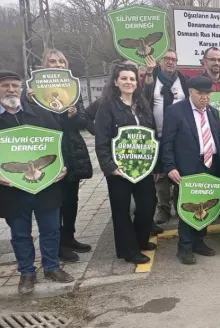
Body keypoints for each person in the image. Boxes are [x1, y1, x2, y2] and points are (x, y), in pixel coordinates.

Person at [0, 69, 74, 294]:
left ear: (21, 89)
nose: (11, 89)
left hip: (45, 185)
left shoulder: (40, 115)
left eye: (15, 85)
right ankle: (26, 273)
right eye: (5, 85)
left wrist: (63, 167)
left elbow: (60, 144)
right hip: (12, 188)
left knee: (51, 229)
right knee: (20, 233)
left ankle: (51, 267)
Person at [161, 76, 220, 265]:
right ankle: (184, 247)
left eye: (208, 94)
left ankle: (199, 241)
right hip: (187, 167)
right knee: (188, 206)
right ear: (191, 92)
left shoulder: (213, 113)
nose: (205, 98)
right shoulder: (175, 112)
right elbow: (166, 143)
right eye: (201, 94)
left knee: (205, 205)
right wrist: (170, 167)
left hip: (211, 164)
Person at [32, 50, 94, 262]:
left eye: (61, 61)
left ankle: (69, 237)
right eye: (52, 61)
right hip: (48, 152)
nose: (57, 64)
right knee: (54, 201)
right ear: (44, 65)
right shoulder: (34, 92)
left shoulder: (72, 89)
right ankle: (56, 244)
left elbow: (83, 121)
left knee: (71, 199)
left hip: (71, 151)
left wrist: (74, 114)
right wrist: (30, 100)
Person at [94, 64, 157, 265]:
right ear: (116, 82)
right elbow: (101, 139)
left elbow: (152, 135)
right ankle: (129, 251)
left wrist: (155, 164)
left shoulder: (142, 104)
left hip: (143, 167)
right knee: (121, 210)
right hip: (119, 169)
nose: (129, 82)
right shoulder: (107, 106)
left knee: (148, 205)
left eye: (132, 79)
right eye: (124, 78)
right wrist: (110, 166)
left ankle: (140, 241)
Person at [143, 49, 189, 225]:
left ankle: (179, 204)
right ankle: (163, 207)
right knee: (161, 174)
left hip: (180, 136)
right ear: (160, 62)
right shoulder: (152, 78)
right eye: (167, 59)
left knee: (179, 171)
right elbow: (143, 99)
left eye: (174, 59)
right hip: (157, 135)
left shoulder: (183, 81)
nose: (171, 62)